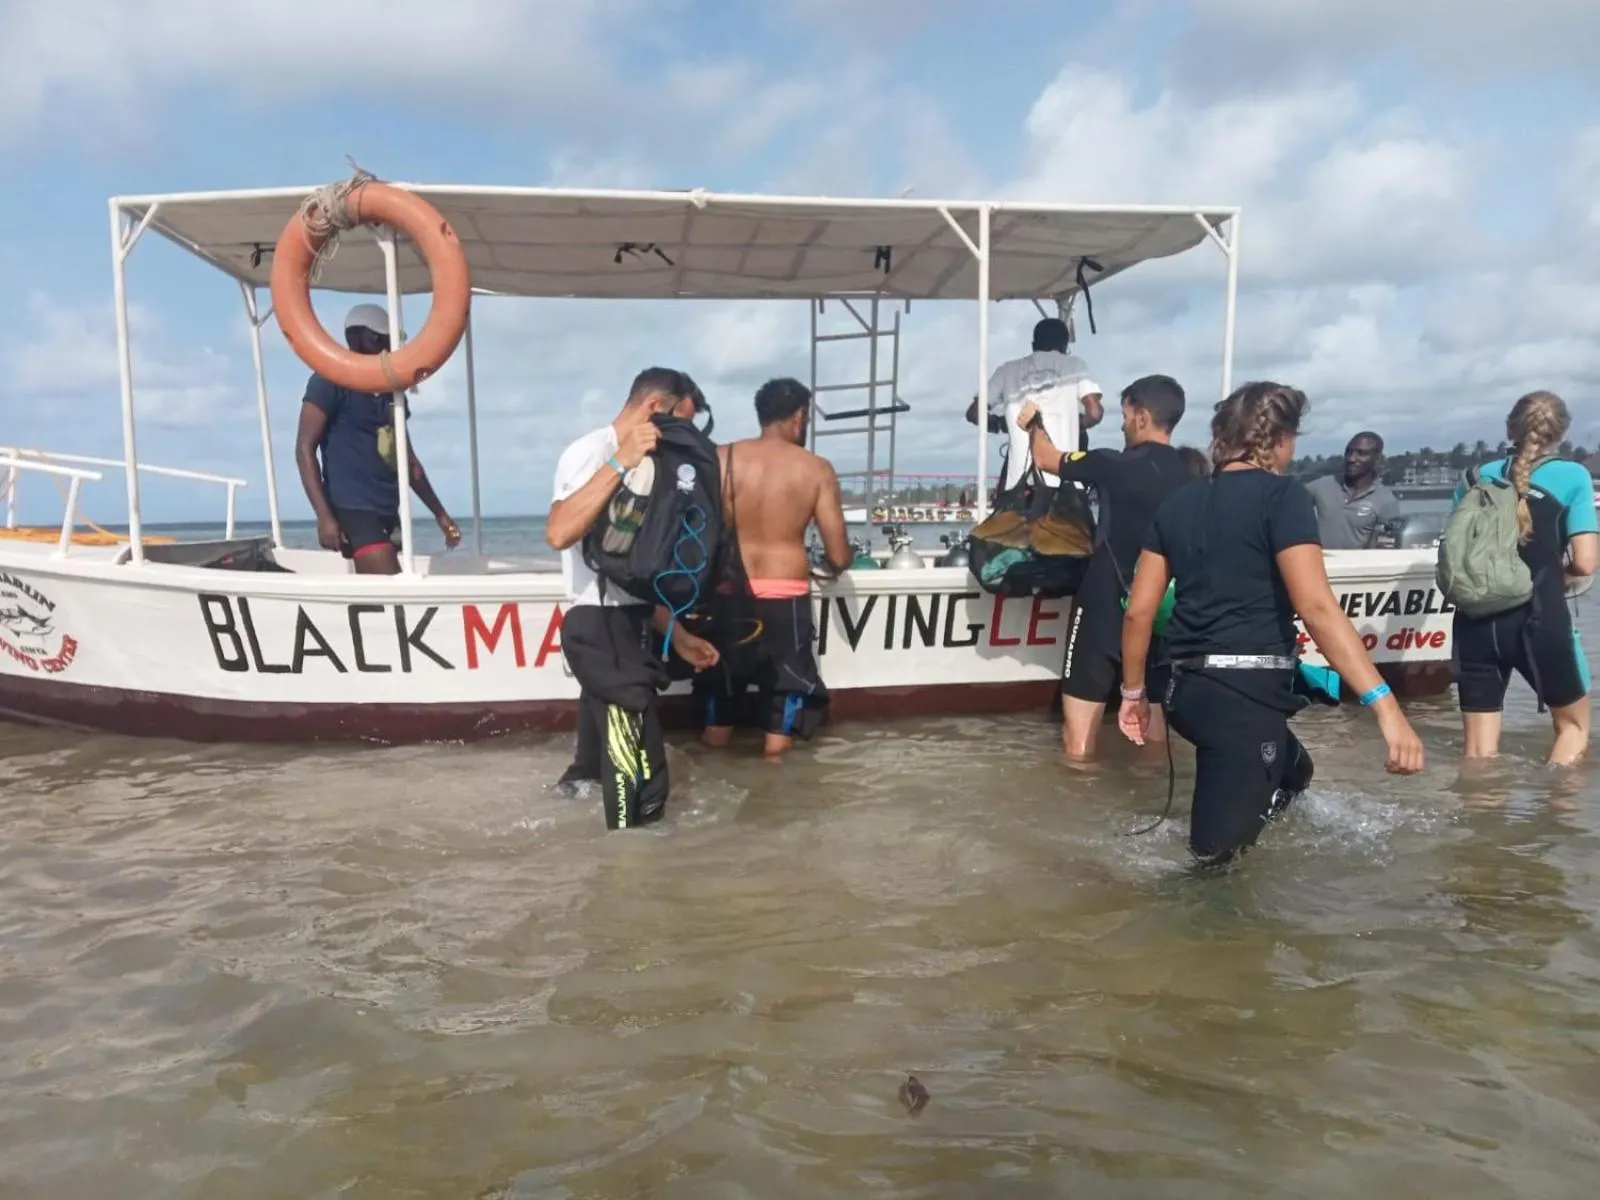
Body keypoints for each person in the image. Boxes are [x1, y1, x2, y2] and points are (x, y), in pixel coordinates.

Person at [1119, 381, 1425, 868]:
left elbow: (1138, 612)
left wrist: (1134, 695)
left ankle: (1256, 794)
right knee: (1214, 866)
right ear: (1280, 438)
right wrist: (1385, 706)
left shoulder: (1178, 503)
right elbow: (1317, 608)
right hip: (1242, 696)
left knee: (1294, 774)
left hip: (1185, 693)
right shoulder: (1283, 497)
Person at [545, 367, 720, 830]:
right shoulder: (594, 451)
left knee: (589, 771)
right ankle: (633, 877)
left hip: (627, 626)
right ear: (654, 408)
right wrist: (620, 461)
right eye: (680, 420)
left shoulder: (649, 464)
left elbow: (632, 576)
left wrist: (678, 635)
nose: (683, 435)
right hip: (600, 631)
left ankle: (575, 857)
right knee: (640, 775)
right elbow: (560, 530)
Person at [1017, 374, 1193, 758]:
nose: (1122, 423)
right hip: (1165, 610)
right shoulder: (1192, 478)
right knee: (1155, 738)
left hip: (1104, 603)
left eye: (1126, 414)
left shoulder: (1111, 463)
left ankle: (1076, 803)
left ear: (1142, 416)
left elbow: (1046, 459)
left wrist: (1033, 424)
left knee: (1078, 741)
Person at [696, 377, 853, 759]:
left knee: (721, 689)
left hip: (730, 593)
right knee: (784, 698)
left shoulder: (721, 458)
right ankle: (775, 789)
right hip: (786, 596)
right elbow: (839, 554)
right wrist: (833, 563)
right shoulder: (816, 468)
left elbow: (700, 531)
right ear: (799, 417)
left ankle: (711, 767)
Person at [1452, 390, 1597, 765]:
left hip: (1475, 620)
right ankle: (1555, 820)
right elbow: (1585, 563)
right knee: (1573, 729)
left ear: (1509, 428)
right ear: (1562, 432)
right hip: (1538, 617)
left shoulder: (1475, 477)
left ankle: (1481, 819)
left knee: (1479, 756)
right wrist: (1554, 579)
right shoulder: (1574, 477)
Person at [294, 304, 461, 573]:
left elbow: (408, 460)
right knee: (392, 588)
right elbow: (304, 449)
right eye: (384, 340)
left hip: (387, 508)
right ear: (364, 338)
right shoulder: (329, 380)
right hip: (352, 508)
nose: (390, 349)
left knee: (385, 597)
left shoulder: (390, 392)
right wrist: (324, 516)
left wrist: (440, 514)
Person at [965, 318, 1104, 488]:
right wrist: (1079, 423)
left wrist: (1000, 424)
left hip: (1019, 485)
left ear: (1033, 345)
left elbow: (974, 413)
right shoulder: (1075, 365)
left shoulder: (1007, 370)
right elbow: (1095, 413)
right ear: (1065, 346)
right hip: (1063, 480)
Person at [1305, 432, 1400, 549]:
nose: (1351, 458)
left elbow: (1387, 544)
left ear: (1377, 459)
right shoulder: (1321, 485)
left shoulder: (1386, 500)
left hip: (1356, 565)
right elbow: (1288, 503)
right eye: (1349, 452)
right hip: (1319, 563)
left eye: (1362, 453)